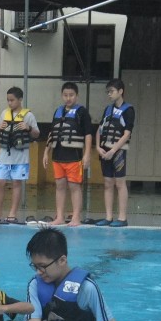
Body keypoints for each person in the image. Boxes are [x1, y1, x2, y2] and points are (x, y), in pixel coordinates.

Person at [42, 81, 93, 227]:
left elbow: (88, 134)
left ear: (77, 96)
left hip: (74, 156)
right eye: (65, 95)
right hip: (57, 156)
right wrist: (46, 152)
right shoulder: (58, 111)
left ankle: (76, 217)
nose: (68, 98)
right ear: (62, 95)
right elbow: (52, 133)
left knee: (74, 186)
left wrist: (87, 154)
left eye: (71, 95)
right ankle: (60, 216)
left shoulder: (82, 112)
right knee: (59, 186)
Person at [0, 86, 40, 223]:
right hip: (4, 155)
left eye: (12, 100)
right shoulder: (4, 113)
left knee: (16, 183)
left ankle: (12, 213)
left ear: (20, 100)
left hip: (20, 156)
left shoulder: (28, 115)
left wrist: (28, 128)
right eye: (8, 100)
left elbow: (36, 133)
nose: (9, 103)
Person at [95, 78, 135, 227]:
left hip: (118, 152)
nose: (109, 94)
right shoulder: (108, 109)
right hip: (104, 150)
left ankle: (122, 218)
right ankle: (108, 217)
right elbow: (99, 129)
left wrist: (113, 150)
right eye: (108, 92)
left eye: (111, 91)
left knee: (120, 183)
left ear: (120, 91)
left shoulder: (128, 110)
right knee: (107, 182)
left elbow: (127, 134)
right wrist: (98, 147)